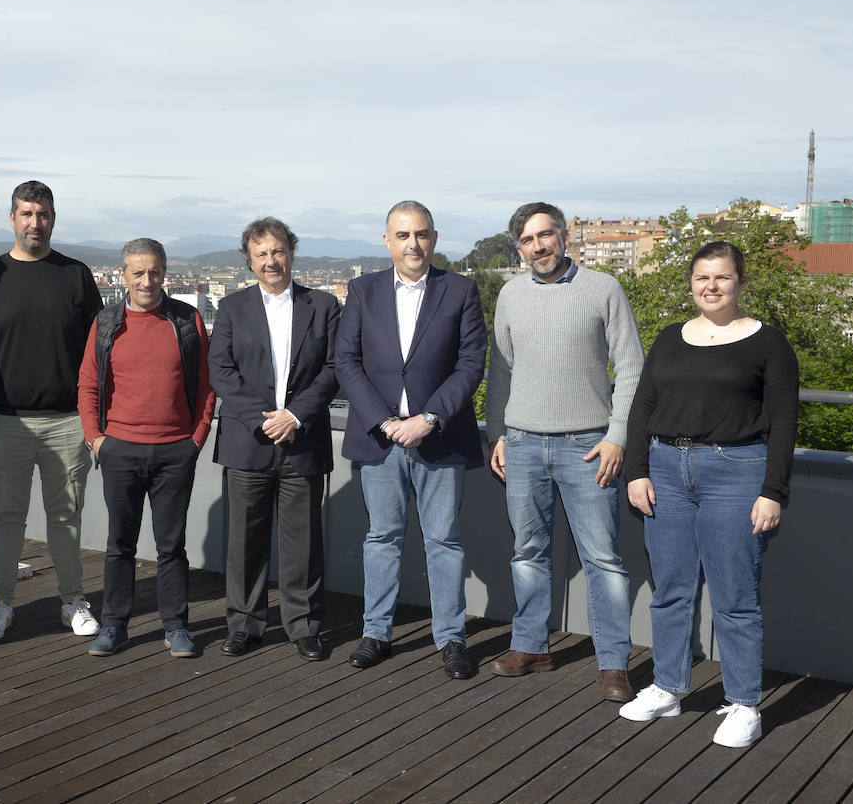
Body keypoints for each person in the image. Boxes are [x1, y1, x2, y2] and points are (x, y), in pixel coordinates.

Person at [618, 241, 798, 748]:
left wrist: (772, 490)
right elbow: (642, 406)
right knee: (671, 589)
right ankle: (668, 688)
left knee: (735, 596)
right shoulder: (670, 338)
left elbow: (784, 420)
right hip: (666, 471)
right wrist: (637, 470)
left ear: (739, 282)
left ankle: (743, 703)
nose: (711, 287)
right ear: (691, 284)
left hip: (737, 472)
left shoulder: (768, 343)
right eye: (702, 278)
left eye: (721, 277)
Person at [485, 201, 644, 703]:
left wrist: (617, 434)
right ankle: (531, 647)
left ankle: (614, 663)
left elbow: (632, 366)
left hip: (588, 446)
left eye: (546, 235)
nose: (539, 246)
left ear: (564, 236)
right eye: (528, 240)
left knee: (603, 560)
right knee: (527, 552)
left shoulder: (604, 289)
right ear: (519, 248)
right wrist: (500, 435)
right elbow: (503, 371)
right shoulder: (510, 295)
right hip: (525, 443)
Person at [336, 201, 487, 676]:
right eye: (403, 235)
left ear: (434, 239)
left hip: (438, 436)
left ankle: (451, 638)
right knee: (381, 537)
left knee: (444, 539)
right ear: (387, 241)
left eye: (421, 235)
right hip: (380, 439)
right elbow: (346, 362)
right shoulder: (362, 290)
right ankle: (376, 633)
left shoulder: (460, 290)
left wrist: (428, 418)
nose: (413, 244)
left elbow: (470, 365)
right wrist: (384, 421)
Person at [0, 180, 102, 641]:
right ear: (12, 218)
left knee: (66, 516)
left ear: (53, 219)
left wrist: (92, 418)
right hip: (3, 421)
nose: (35, 223)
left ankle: (72, 600)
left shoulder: (76, 276)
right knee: (7, 519)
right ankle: (1, 603)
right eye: (26, 214)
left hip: (67, 421)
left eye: (42, 214)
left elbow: (98, 354)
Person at [209, 217, 340, 662]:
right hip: (250, 441)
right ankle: (244, 624)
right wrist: (263, 420)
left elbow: (335, 369)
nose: (271, 260)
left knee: (303, 543)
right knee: (244, 541)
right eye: (261, 253)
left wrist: (295, 416)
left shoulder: (323, 305)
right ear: (249, 260)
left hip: (301, 440)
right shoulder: (231, 309)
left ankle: (303, 626)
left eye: (278, 251)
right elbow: (221, 372)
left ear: (292, 253)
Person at [78, 238, 216, 658]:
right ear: (123, 275)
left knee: (170, 545)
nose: (147, 280)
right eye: (138, 272)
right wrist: (97, 440)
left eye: (154, 272)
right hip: (120, 449)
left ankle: (175, 625)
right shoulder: (106, 323)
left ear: (164, 273)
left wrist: (195, 440)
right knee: (120, 542)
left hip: (175, 450)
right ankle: (114, 625)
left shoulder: (186, 319)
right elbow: (87, 385)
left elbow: (206, 387)